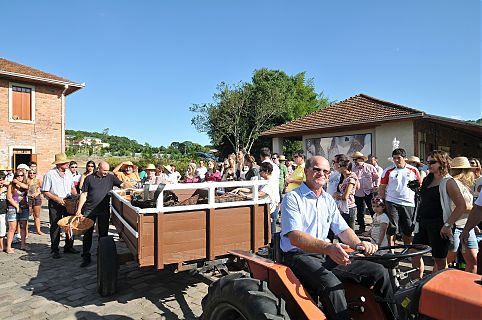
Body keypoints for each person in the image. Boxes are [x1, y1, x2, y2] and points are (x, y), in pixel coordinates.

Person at [281, 156, 395, 320]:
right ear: (306, 171)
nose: (322, 174)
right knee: (332, 284)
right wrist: (329, 248)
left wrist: (358, 244)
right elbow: (295, 237)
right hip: (298, 255)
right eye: (316, 169)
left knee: (379, 272)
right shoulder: (293, 198)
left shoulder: (327, 199)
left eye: (326, 171)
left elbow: (342, 229)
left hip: (325, 253)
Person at [411, 151, 467, 278]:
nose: (429, 165)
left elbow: (461, 206)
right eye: (427, 162)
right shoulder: (427, 179)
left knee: (439, 260)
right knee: (414, 253)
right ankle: (416, 284)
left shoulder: (448, 182)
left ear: (442, 163)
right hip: (422, 222)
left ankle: (441, 286)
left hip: (439, 225)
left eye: (432, 162)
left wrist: (447, 225)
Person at [75, 161, 125, 267]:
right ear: (98, 168)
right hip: (89, 210)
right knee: (87, 234)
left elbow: (122, 185)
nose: (106, 172)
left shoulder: (110, 177)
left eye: (107, 170)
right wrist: (79, 209)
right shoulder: (89, 178)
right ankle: (86, 256)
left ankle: (102, 254)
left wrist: (131, 185)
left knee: (103, 235)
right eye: (104, 170)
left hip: (104, 210)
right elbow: (84, 194)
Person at [379, 148, 421, 246]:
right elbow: (382, 186)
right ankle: (391, 250)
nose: (396, 160)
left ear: (405, 158)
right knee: (393, 227)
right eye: (394, 158)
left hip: (408, 202)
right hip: (392, 201)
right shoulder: (388, 170)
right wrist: (382, 201)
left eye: (399, 158)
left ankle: (407, 248)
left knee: (408, 228)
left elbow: (419, 185)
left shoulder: (413, 170)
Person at [41, 153, 79, 259]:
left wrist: (76, 197)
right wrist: (57, 199)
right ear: (59, 164)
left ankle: (69, 246)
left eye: (67, 162)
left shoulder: (69, 173)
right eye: (65, 162)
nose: (68, 163)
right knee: (55, 226)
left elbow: (72, 188)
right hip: (55, 203)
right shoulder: (50, 174)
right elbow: (45, 191)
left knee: (70, 225)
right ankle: (54, 250)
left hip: (68, 202)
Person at [445, 157, 478, 273]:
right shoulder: (454, 183)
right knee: (447, 260)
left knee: (473, 260)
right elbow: (460, 205)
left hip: (466, 226)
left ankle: (468, 287)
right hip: (455, 226)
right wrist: (476, 208)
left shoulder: (463, 185)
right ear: (464, 171)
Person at [233, 162, 280, 236]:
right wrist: (240, 189)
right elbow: (253, 190)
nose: (259, 172)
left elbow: (261, 194)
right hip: (265, 209)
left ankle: (273, 246)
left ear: (267, 171)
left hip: (271, 209)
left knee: (270, 231)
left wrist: (246, 196)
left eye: (261, 170)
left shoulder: (271, 182)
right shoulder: (264, 181)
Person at [351, 151, 379, 234]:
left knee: (372, 209)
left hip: (368, 191)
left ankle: (375, 226)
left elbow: (376, 177)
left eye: (356, 159)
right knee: (360, 211)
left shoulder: (370, 167)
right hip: (357, 192)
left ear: (361, 159)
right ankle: (361, 227)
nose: (355, 161)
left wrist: (376, 185)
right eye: (354, 159)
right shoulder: (353, 168)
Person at [6, 169, 29, 252]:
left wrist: (18, 182)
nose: (20, 177)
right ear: (15, 176)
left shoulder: (24, 184)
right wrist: (17, 207)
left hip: (24, 207)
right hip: (13, 208)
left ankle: (23, 244)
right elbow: (9, 197)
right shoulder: (11, 185)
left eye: (21, 175)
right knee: (12, 228)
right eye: (18, 176)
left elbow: (27, 187)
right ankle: (8, 247)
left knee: (23, 227)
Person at [333, 156, 359, 230]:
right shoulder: (343, 178)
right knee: (341, 229)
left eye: (341, 166)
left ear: (346, 167)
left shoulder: (351, 179)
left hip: (349, 207)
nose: (338, 167)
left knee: (349, 230)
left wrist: (337, 196)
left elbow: (345, 197)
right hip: (342, 207)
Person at [27, 169, 45, 235]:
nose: (32, 174)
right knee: (27, 215)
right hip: (28, 198)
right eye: (30, 173)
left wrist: (38, 193)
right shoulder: (26, 181)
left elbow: (43, 189)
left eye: (33, 173)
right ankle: (25, 232)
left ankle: (38, 230)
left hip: (37, 198)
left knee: (37, 215)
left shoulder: (38, 181)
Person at [0, 173, 8, 252]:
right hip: (0, 212)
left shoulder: (6, 187)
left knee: (4, 229)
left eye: (2, 180)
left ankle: (4, 245)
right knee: (1, 230)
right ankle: (2, 246)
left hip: (5, 211)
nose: (1, 182)